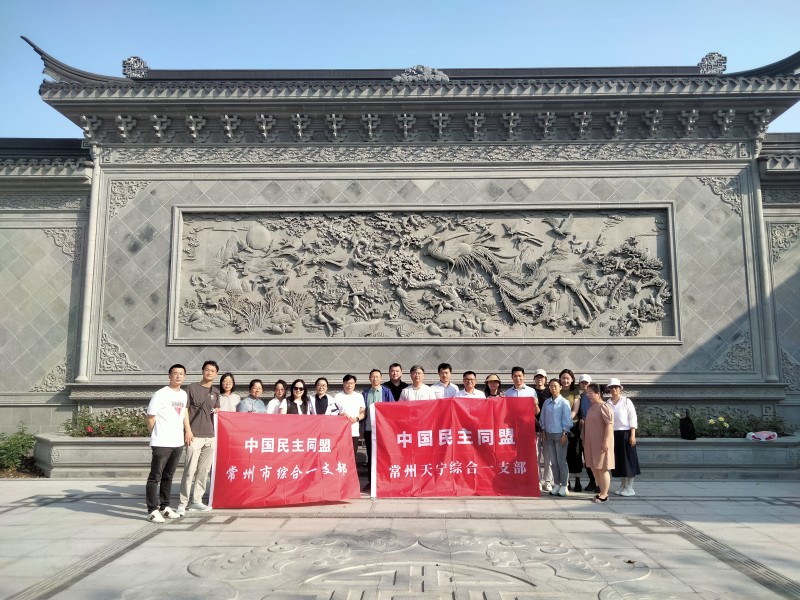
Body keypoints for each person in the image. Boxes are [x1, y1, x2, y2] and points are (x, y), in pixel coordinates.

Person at [145, 364, 189, 523]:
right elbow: (150, 417)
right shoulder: (160, 394)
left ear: (184, 376)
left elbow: (183, 414)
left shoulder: (183, 394)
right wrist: (156, 434)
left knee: (168, 476)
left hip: (177, 442)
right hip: (162, 442)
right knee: (155, 477)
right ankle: (152, 510)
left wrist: (187, 431)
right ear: (169, 376)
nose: (178, 376)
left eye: (181, 374)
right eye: (175, 373)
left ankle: (165, 506)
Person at [177, 360, 220, 515]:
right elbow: (185, 410)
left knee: (204, 471)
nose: (209, 373)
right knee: (190, 471)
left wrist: (218, 411)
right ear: (202, 371)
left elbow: (216, 410)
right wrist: (187, 431)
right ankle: (183, 502)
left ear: (216, 374)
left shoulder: (215, 392)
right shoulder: (191, 388)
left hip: (210, 436)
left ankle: (196, 501)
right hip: (194, 435)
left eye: (212, 371)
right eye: (207, 370)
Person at [539, 378, 573, 497]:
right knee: (553, 461)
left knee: (561, 461)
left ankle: (564, 485)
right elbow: (543, 417)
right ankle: (557, 484)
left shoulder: (564, 402)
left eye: (555, 386)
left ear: (560, 388)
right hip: (549, 434)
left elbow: (567, 419)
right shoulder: (546, 402)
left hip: (560, 434)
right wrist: (543, 430)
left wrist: (565, 433)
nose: (553, 388)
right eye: (551, 386)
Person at [608, 378, 641, 496]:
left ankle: (630, 487)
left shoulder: (626, 401)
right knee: (619, 461)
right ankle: (622, 485)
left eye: (616, 387)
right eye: (611, 387)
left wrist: (632, 435)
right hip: (613, 434)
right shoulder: (608, 403)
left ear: (620, 389)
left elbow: (633, 418)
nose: (614, 389)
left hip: (626, 433)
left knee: (629, 461)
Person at [582, 382, 614, 503]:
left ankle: (605, 494)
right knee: (594, 468)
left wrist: (606, 442)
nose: (588, 395)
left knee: (602, 468)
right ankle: (601, 491)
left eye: (590, 393)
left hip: (601, 443)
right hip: (591, 443)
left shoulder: (604, 407)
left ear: (598, 394)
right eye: (587, 393)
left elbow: (609, 425)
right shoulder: (591, 407)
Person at [361, 368, 394, 488]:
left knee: (384, 455)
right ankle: (372, 482)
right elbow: (362, 411)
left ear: (381, 378)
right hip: (369, 429)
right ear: (369, 378)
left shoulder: (387, 392)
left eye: (377, 377)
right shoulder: (365, 393)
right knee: (371, 455)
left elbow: (392, 410)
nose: (375, 379)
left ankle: (385, 480)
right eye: (373, 377)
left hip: (383, 430)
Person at [560, 369, 584, 492]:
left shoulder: (575, 391)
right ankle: (567, 481)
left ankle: (578, 480)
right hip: (559, 426)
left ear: (572, 379)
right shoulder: (557, 391)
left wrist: (567, 420)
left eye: (567, 378)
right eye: (563, 378)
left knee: (576, 453)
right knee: (564, 454)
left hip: (573, 425)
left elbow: (575, 409)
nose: (565, 380)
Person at [333, 374, 366, 462]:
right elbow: (333, 412)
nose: (349, 385)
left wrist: (356, 419)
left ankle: (352, 471)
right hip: (341, 431)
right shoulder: (337, 396)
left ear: (355, 384)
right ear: (343, 384)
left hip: (354, 430)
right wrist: (341, 415)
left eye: (352, 383)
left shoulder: (359, 396)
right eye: (347, 383)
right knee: (341, 454)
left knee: (352, 455)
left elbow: (363, 413)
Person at [577, 374, 599, 493]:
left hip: (595, 429)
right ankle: (592, 481)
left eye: (587, 383)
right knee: (587, 457)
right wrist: (581, 419)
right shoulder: (580, 397)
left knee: (595, 457)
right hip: (584, 429)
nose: (585, 385)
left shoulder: (596, 397)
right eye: (583, 383)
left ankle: (599, 482)